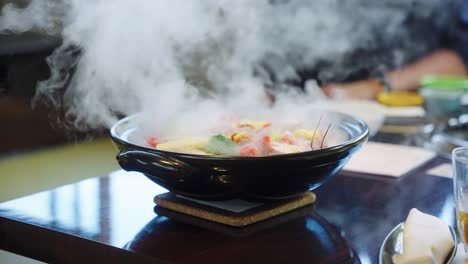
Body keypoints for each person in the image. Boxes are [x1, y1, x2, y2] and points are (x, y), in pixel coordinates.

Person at [318, 0, 468, 100]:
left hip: (409, 121)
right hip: (320, 110)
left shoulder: (437, 6)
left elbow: (459, 62)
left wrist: (377, 86)